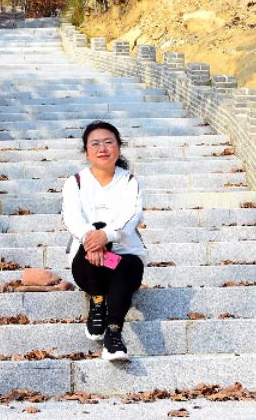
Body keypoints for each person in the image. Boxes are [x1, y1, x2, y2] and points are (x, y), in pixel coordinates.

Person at [62, 121, 146, 361]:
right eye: (95, 144)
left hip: (124, 264)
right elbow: (71, 218)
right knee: (96, 229)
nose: (103, 148)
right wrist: (94, 238)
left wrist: (106, 236)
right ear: (86, 151)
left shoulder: (130, 181)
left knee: (124, 263)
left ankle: (113, 335)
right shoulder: (76, 182)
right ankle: (97, 301)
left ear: (118, 147)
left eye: (109, 142)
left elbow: (131, 216)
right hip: (86, 265)